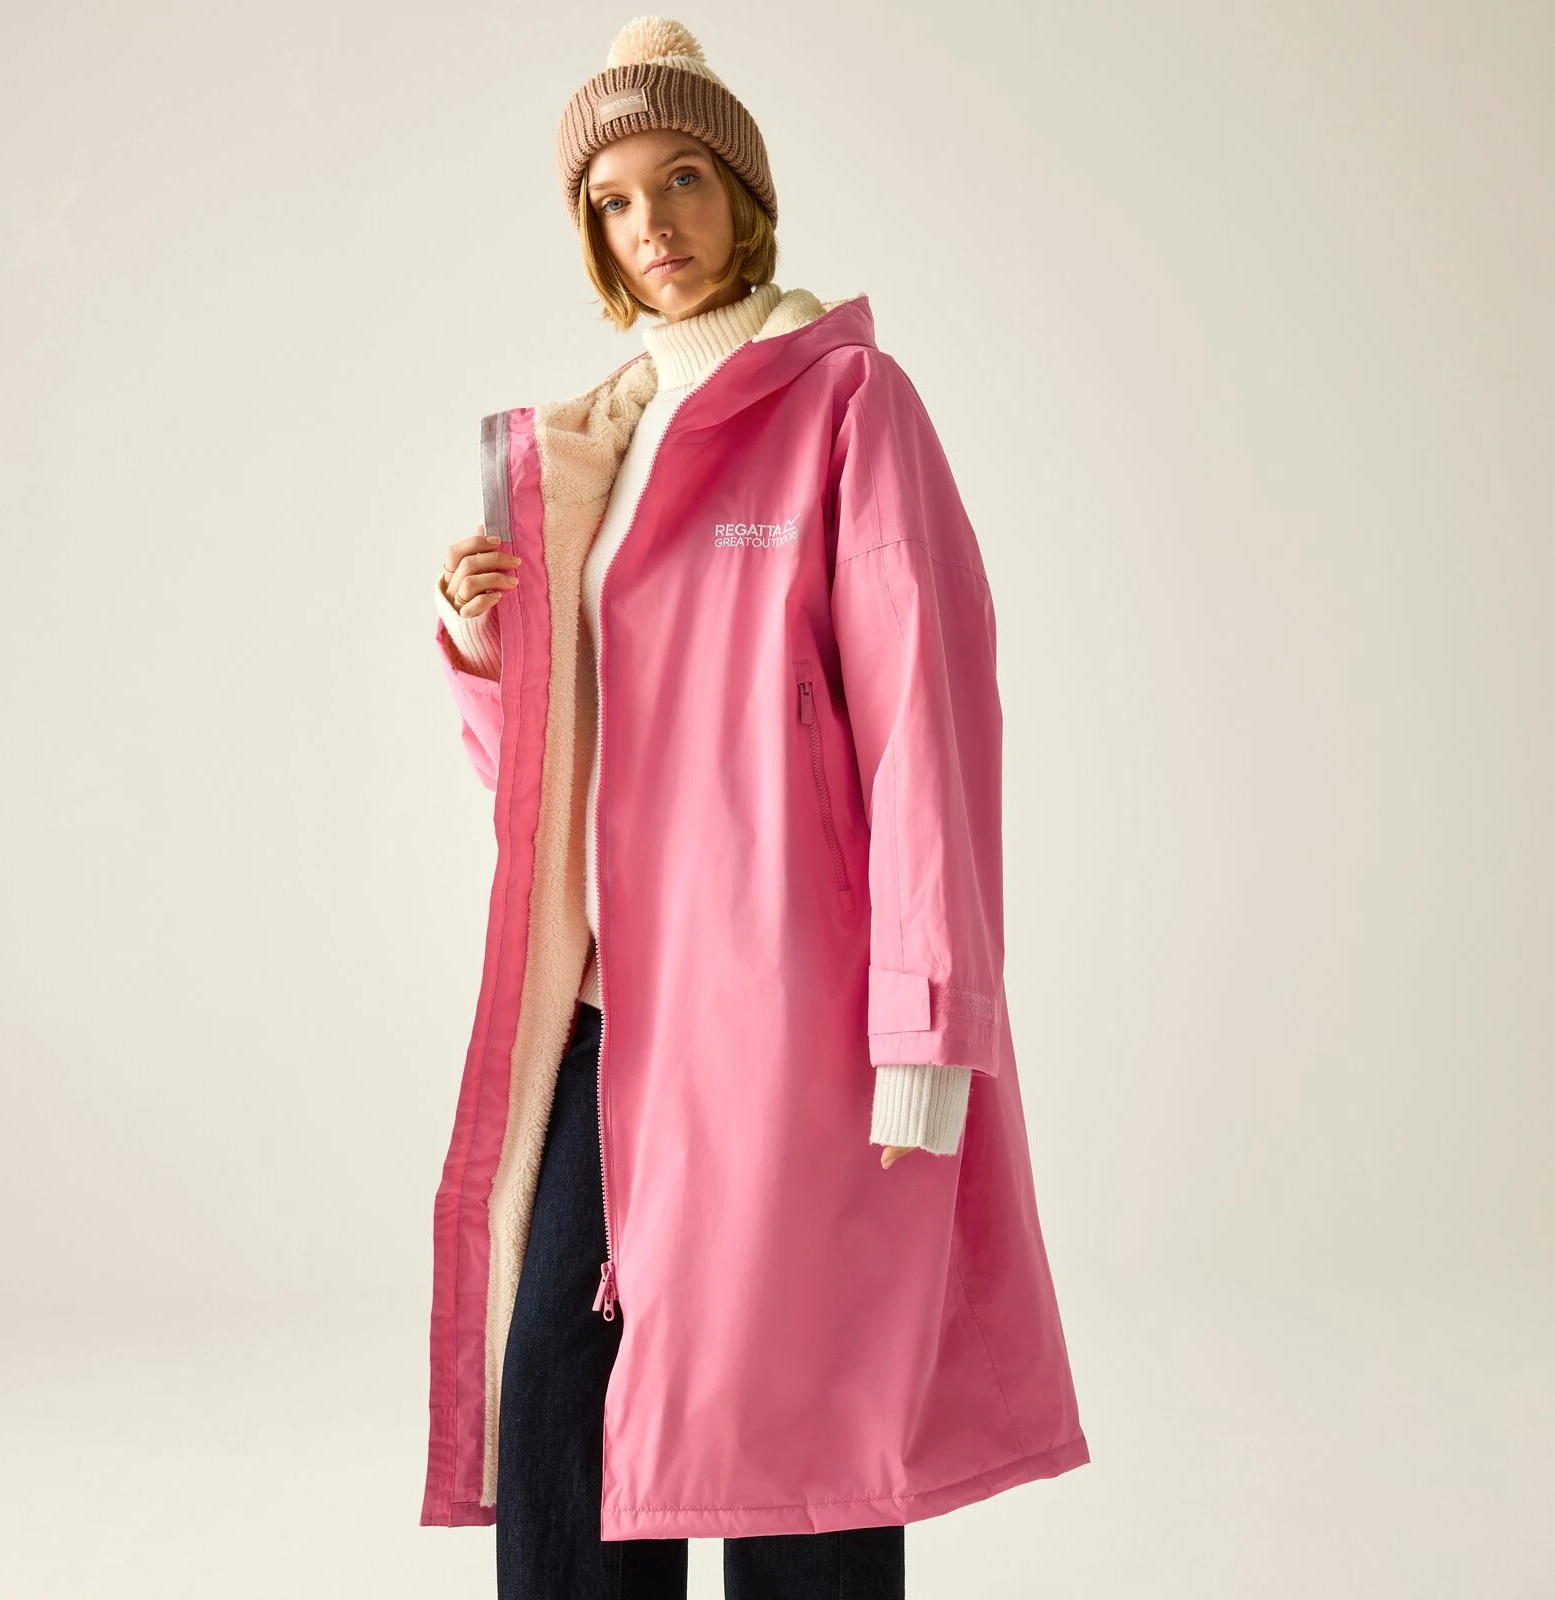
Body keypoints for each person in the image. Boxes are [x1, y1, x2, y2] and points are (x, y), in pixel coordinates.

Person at [422, 17, 1090, 1598]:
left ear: (745, 194)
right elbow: (555, 784)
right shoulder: (590, 452)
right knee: (562, 1401)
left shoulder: (849, 403)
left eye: (683, 179)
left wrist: (926, 1026)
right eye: (613, 201)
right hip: (612, 1009)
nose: (651, 222)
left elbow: (930, 724)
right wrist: (484, 648)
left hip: (792, 1015)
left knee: (806, 1422)